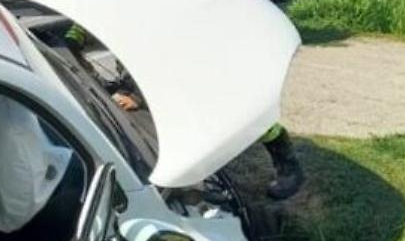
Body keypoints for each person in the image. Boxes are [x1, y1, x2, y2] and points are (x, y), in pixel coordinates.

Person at [64, 25, 305, 200]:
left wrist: (137, 97)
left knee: (240, 113)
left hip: (190, 68)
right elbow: (79, 31)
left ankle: (288, 166)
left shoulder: (152, 9)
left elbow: (167, 60)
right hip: (144, 76)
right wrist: (71, 44)